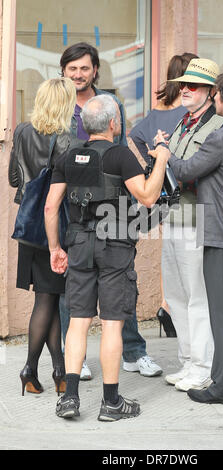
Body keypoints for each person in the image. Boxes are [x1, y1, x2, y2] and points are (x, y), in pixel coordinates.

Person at [44, 94, 170, 421]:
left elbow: (50, 207)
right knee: (112, 324)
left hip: (79, 243)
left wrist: (56, 249)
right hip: (114, 246)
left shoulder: (68, 156)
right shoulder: (120, 156)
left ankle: (69, 398)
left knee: (79, 321)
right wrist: (162, 160)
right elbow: (147, 196)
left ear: (86, 125)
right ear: (114, 124)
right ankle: (111, 403)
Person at [151, 71, 223, 404]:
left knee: (222, 312)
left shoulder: (222, 136)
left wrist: (164, 151)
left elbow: (187, 170)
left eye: (217, 95)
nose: (215, 99)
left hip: (220, 235)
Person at [59, 42, 162, 378]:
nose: (78, 74)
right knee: (73, 286)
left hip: (113, 207)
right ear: (63, 71)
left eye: (84, 68)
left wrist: (129, 206)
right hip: (69, 205)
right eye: (72, 69)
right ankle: (77, 361)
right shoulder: (57, 105)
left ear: (95, 71)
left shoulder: (110, 104)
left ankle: (133, 352)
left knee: (119, 285)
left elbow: (119, 157)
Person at [153, 58, 223, 392]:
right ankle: (187, 361)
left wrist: (166, 154)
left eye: (192, 85)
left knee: (197, 297)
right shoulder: (184, 122)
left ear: (209, 92)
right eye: (182, 84)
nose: (184, 89)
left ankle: (202, 366)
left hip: (197, 218)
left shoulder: (217, 127)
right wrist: (162, 152)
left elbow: (191, 169)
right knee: (177, 295)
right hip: (173, 217)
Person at [8, 78, 79, 396]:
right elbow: (73, 191)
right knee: (48, 299)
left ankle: (58, 371)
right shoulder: (68, 140)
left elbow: (14, 179)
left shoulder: (22, 130)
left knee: (46, 299)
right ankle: (30, 369)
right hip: (53, 228)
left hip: (28, 225)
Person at [128, 52, 198, 340]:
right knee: (186, 256)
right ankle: (175, 309)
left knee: (168, 250)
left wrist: (153, 160)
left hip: (163, 188)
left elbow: (135, 133)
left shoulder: (158, 110)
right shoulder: (189, 110)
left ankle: (165, 305)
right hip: (187, 189)